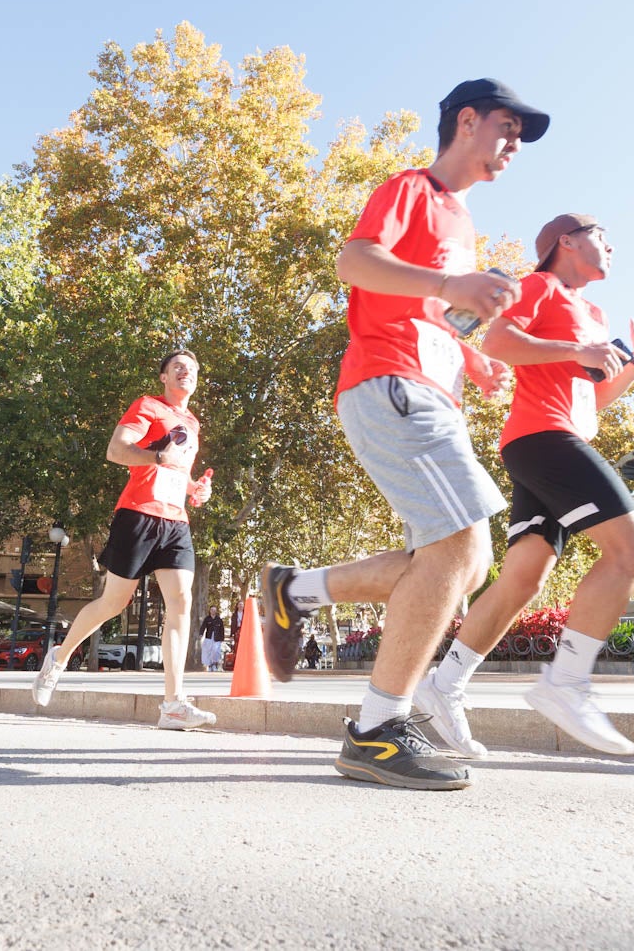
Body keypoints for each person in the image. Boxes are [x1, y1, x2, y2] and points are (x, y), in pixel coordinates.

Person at [258, 78, 546, 790]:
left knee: (460, 566)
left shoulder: (461, 222)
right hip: (391, 383)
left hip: (428, 388)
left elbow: (429, 315)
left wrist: (472, 358)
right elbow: (354, 262)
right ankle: (377, 730)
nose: (514, 145)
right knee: (463, 543)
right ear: (467, 121)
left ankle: (296, 590)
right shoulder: (413, 188)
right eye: (507, 127)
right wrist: (450, 287)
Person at [413, 213, 634, 757]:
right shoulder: (539, 285)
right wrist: (576, 352)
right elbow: (499, 340)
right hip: (542, 438)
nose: (612, 247)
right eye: (602, 236)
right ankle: (566, 683)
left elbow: (592, 400)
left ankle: (443, 685)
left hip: (556, 437)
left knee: (524, 578)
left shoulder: (593, 313)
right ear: (567, 241)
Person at [33, 350, 216, 730]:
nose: (186, 372)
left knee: (181, 602)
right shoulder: (148, 405)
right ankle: (59, 658)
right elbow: (116, 451)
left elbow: (178, 469)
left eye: (192, 369)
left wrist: (195, 489)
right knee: (114, 603)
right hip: (138, 514)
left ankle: (173, 705)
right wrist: (156, 457)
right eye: (178, 367)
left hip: (175, 520)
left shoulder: (193, 422)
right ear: (164, 377)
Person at [199, 604, 225, 672]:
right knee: (209, 651)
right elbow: (203, 626)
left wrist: (222, 638)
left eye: (214, 610)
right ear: (210, 611)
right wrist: (201, 633)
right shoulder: (207, 619)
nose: (213, 611)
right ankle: (210, 665)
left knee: (215, 651)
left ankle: (214, 663)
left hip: (217, 637)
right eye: (212, 610)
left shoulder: (219, 619)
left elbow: (222, 629)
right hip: (209, 637)